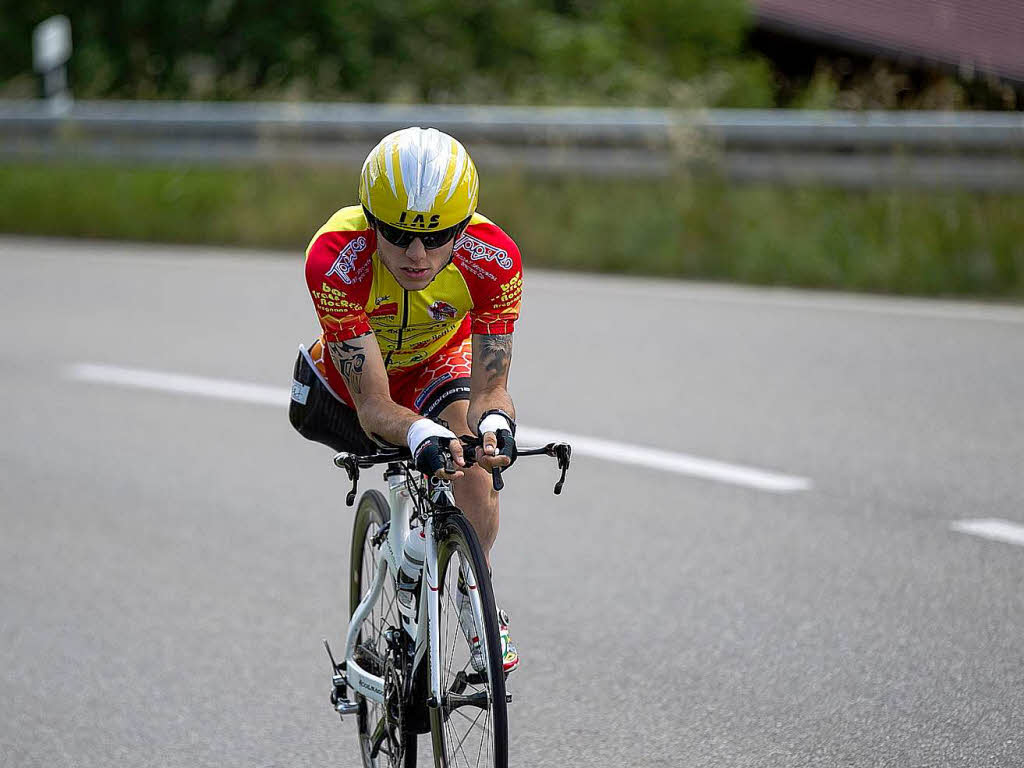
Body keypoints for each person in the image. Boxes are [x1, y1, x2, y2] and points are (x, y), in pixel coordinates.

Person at [289, 126, 522, 674]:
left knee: (473, 463)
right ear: (370, 221)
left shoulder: (494, 258)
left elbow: (493, 388)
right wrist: (419, 432)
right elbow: (374, 405)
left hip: (436, 361)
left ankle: (473, 585)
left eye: (439, 237)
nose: (417, 255)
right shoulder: (335, 256)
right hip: (354, 378)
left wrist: (494, 425)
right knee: (412, 435)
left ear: (464, 227)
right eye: (395, 235)